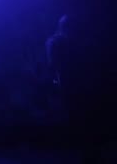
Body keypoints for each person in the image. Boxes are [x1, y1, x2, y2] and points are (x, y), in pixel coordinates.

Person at [46, 14, 101, 163]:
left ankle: (82, 153)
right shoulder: (81, 43)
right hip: (80, 86)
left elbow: (52, 65)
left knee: (77, 121)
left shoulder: (57, 42)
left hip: (72, 86)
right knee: (83, 122)